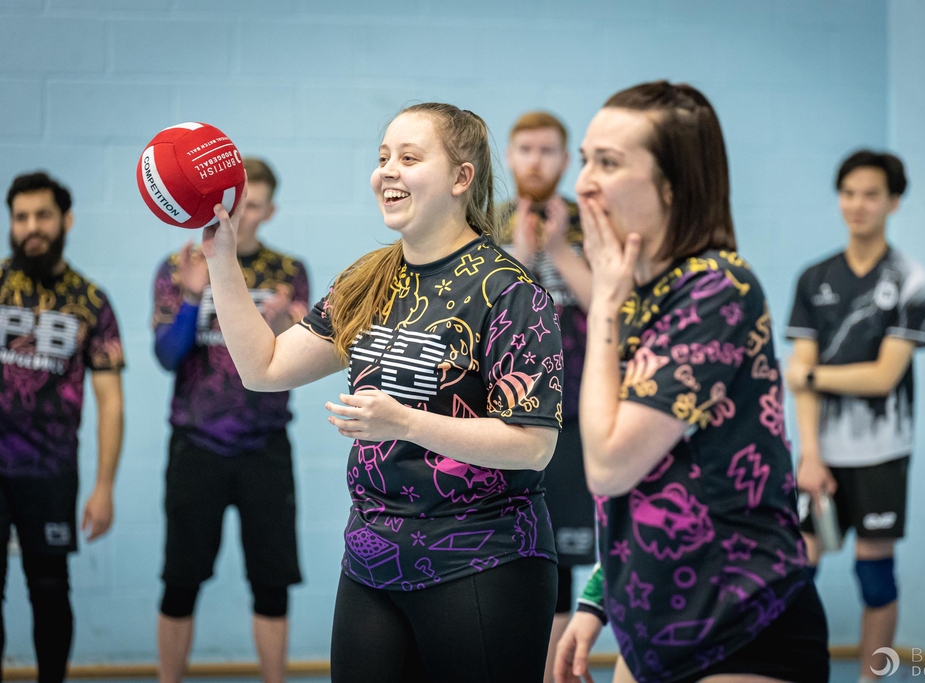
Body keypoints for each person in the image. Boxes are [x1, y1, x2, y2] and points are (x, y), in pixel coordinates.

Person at [201, 103, 564, 683]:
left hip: (482, 562)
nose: (387, 171)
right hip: (372, 563)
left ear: (461, 178)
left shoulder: (511, 291)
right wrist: (221, 256)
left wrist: (407, 422)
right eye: (382, 158)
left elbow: (532, 446)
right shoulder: (368, 279)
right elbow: (263, 368)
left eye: (410, 158)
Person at [554, 81, 830, 683]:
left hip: (744, 628)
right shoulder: (640, 295)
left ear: (673, 186)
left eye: (609, 163)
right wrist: (600, 597)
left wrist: (601, 304)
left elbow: (608, 465)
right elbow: (654, 480)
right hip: (652, 628)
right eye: (584, 160)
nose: (582, 184)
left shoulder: (717, 288)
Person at [151, 158, 309, 683]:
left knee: (271, 581)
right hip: (196, 445)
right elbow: (167, 356)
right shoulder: (179, 266)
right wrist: (193, 295)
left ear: (270, 211)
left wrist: (284, 328)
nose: (245, 215)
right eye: (240, 205)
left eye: (257, 206)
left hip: (264, 446)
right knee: (180, 579)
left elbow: (294, 364)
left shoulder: (288, 273)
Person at [784, 150, 925, 683]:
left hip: (882, 452)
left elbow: (883, 376)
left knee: (876, 579)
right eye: (848, 192)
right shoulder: (813, 277)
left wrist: (812, 375)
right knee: (795, 574)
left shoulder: (911, 280)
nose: (857, 204)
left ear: (893, 201)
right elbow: (797, 379)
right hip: (821, 456)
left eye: (871, 194)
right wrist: (810, 455)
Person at [0, 172, 125, 683]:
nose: (32, 227)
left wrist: (103, 486)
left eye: (43, 215)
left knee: (49, 588)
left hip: (50, 471)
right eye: (21, 216)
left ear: (65, 221)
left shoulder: (92, 302)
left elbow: (110, 401)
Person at [501, 111, 595, 683]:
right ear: (509, 157)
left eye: (549, 150)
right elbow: (486, 311)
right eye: (526, 149)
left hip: (576, 414)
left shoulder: (591, 222)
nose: (536, 160)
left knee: (562, 559)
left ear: (565, 160)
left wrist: (559, 249)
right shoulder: (482, 222)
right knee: (511, 556)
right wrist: (516, 248)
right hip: (504, 415)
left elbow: (612, 306)